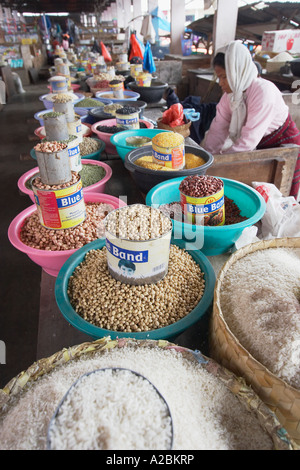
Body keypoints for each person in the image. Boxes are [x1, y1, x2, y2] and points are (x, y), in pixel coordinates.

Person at [202, 40, 300, 199]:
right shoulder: (231, 97)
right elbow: (218, 129)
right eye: (219, 77)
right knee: (260, 193)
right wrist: (208, 159)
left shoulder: (262, 92)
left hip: (283, 144)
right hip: (260, 146)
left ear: (237, 72)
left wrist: (221, 164)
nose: (221, 83)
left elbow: (248, 141)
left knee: (282, 197)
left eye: (224, 77)